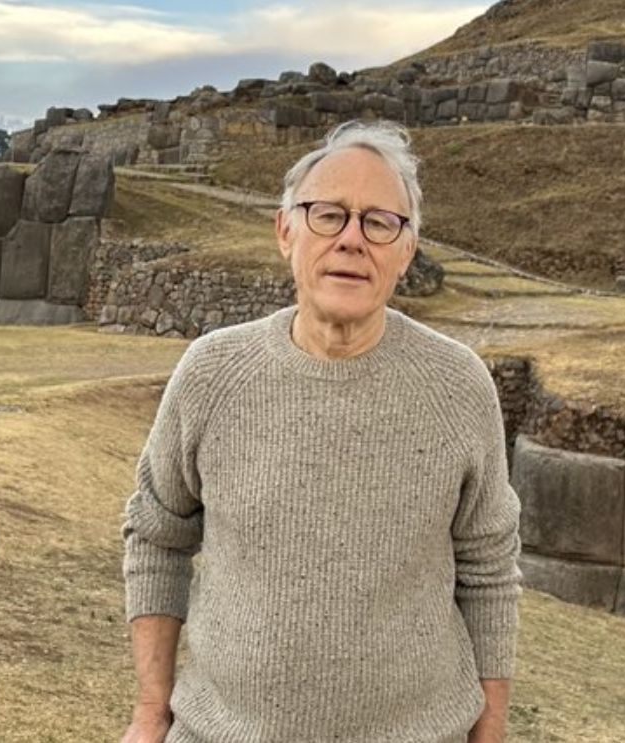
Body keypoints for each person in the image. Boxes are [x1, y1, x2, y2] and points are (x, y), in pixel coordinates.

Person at [120, 119, 523, 743]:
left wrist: (490, 732)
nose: (352, 240)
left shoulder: (459, 387)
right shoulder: (211, 373)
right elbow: (156, 535)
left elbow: (489, 568)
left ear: (407, 250)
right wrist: (151, 714)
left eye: (379, 222)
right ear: (287, 232)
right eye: (328, 215)